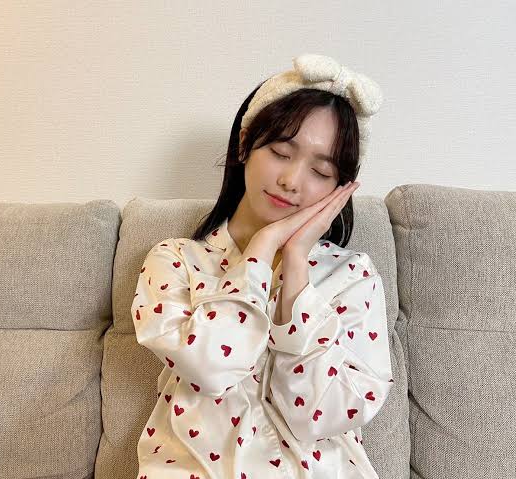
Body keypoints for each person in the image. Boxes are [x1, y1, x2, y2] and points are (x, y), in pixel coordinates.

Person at [131, 53, 394, 479]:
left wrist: (296, 273)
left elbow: (320, 416)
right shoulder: (174, 261)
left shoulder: (352, 277)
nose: (292, 180)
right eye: (280, 152)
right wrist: (260, 251)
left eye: (320, 170)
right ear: (244, 145)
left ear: (341, 188)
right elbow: (210, 369)